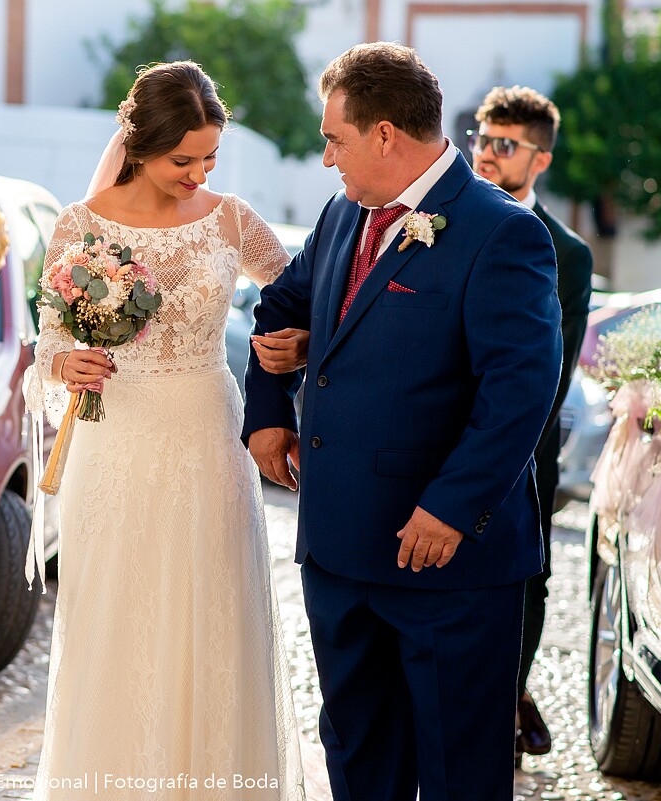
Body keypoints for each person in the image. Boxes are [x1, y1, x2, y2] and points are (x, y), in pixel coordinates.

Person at [244, 43, 562, 801]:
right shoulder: (339, 212)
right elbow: (281, 309)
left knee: (459, 772)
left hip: (445, 564)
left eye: (335, 138)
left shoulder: (502, 232)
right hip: (337, 551)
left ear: (385, 133)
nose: (326, 159)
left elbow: (519, 390)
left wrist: (452, 506)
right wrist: (264, 415)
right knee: (357, 759)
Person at [26, 60, 305, 800]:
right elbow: (48, 341)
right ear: (139, 143)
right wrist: (67, 363)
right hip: (114, 441)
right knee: (115, 619)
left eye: (210, 156)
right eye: (184, 158)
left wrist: (294, 346)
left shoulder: (231, 218)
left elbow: (295, 296)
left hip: (207, 431)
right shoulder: (79, 226)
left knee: (211, 611)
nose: (199, 172)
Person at [470, 84, 593, 762]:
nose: (486, 153)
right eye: (483, 138)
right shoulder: (439, 219)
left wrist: (493, 450)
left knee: (525, 579)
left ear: (538, 160)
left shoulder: (567, 254)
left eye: (504, 144)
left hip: (524, 451)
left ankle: (508, 697)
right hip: (435, 444)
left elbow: (555, 371)